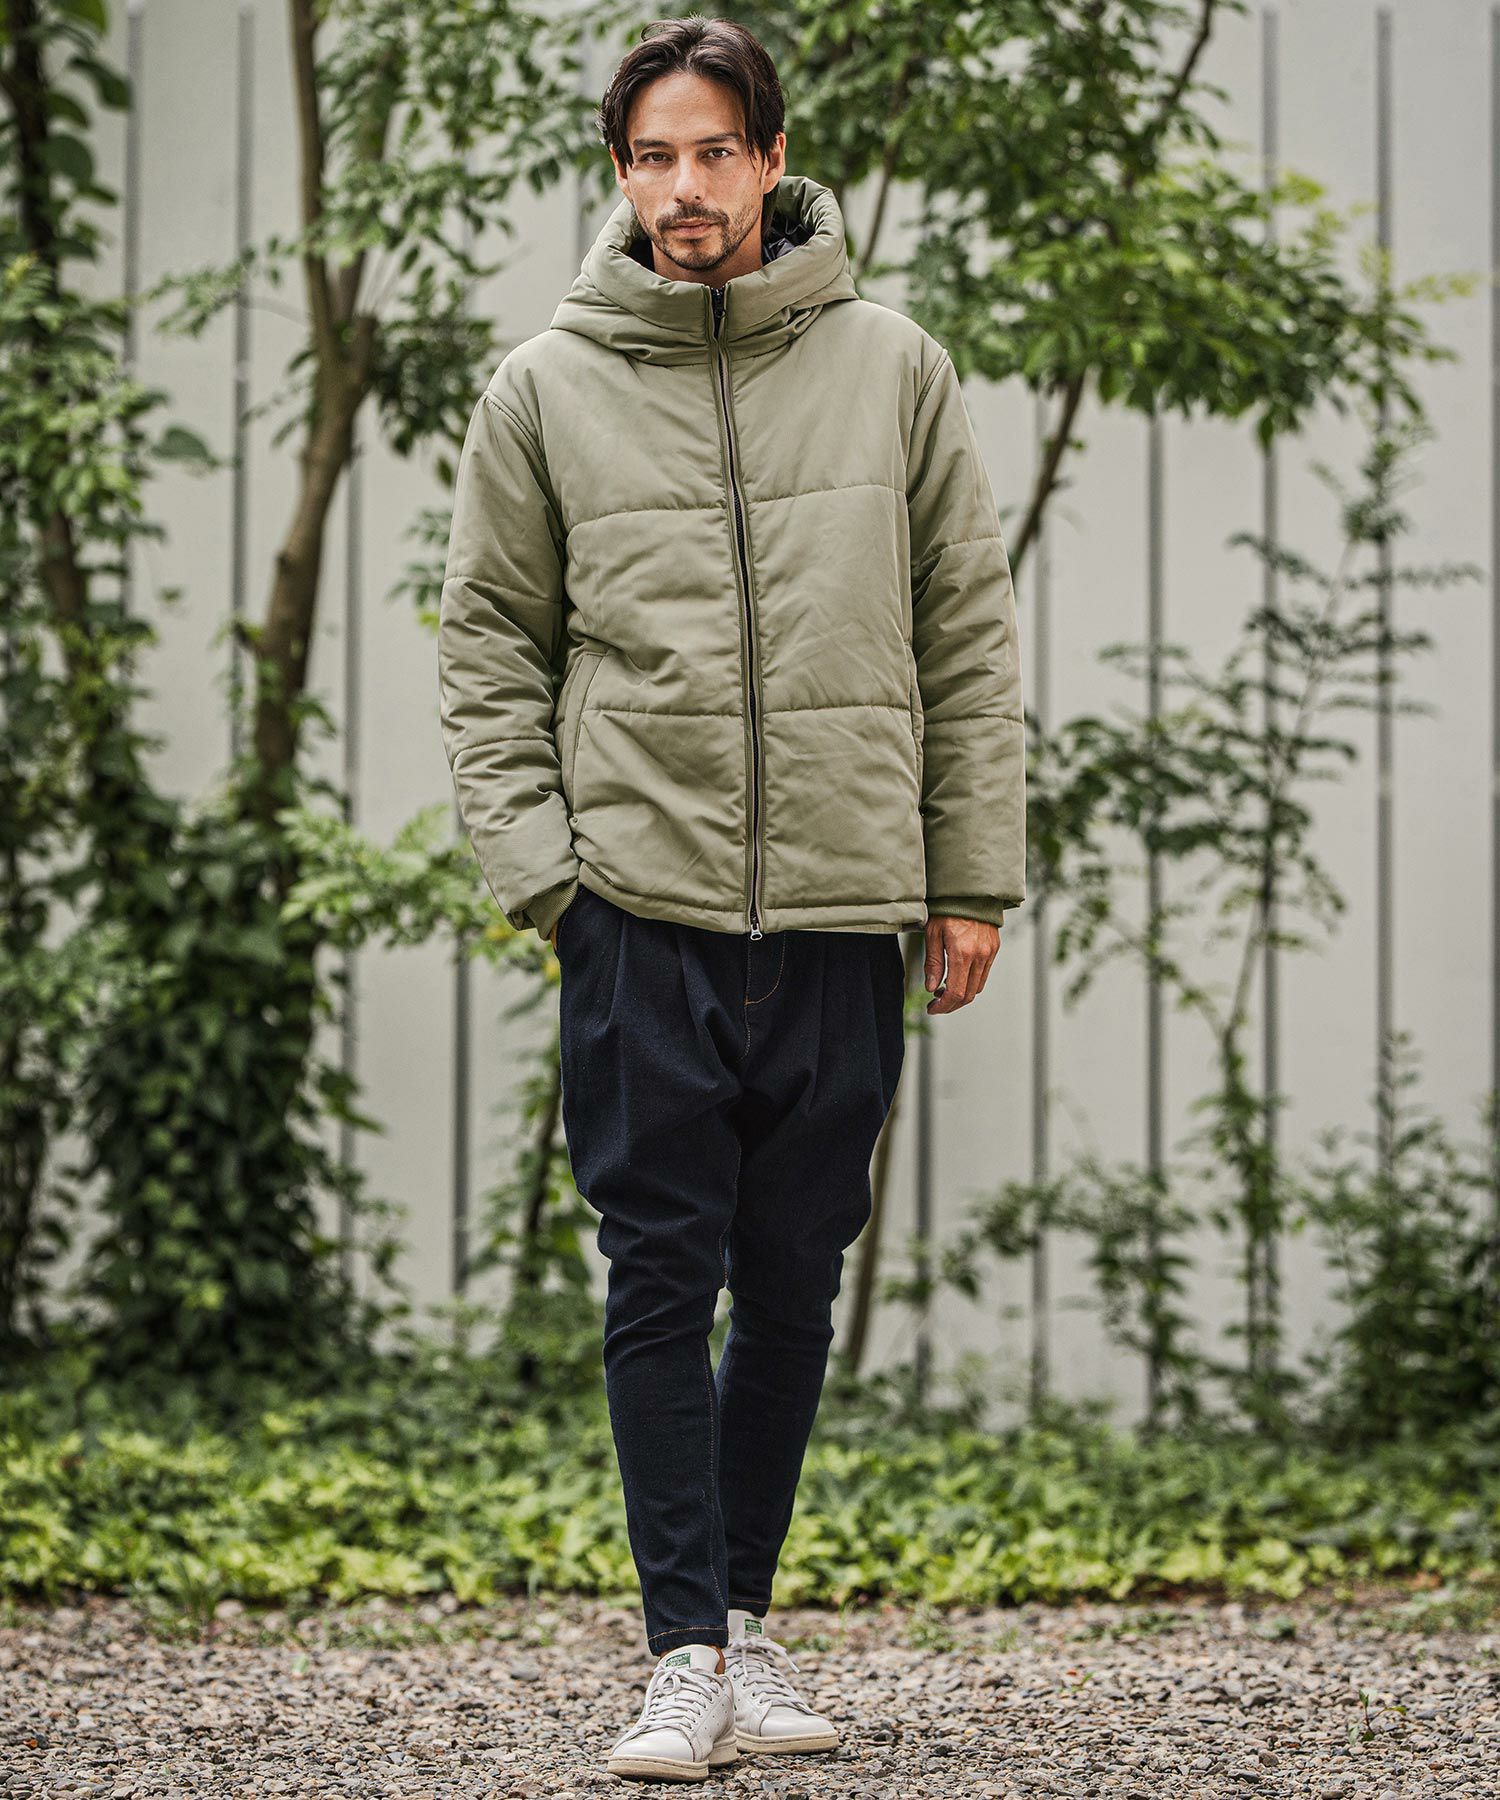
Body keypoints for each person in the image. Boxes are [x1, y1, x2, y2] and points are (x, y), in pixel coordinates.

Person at [437, 13, 1026, 1785]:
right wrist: (549, 881)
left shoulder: (893, 366)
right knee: (655, 1277)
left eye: (712, 152)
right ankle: (679, 1656)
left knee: (791, 1283)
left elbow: (965, 632)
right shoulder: (545, 388)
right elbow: (489, 647)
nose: (683, 187)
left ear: (770, 158)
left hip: (843, 906)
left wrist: (967, 875)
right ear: (620, 174)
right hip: (638, 906)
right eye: (652, 157)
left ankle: (746, 1629)